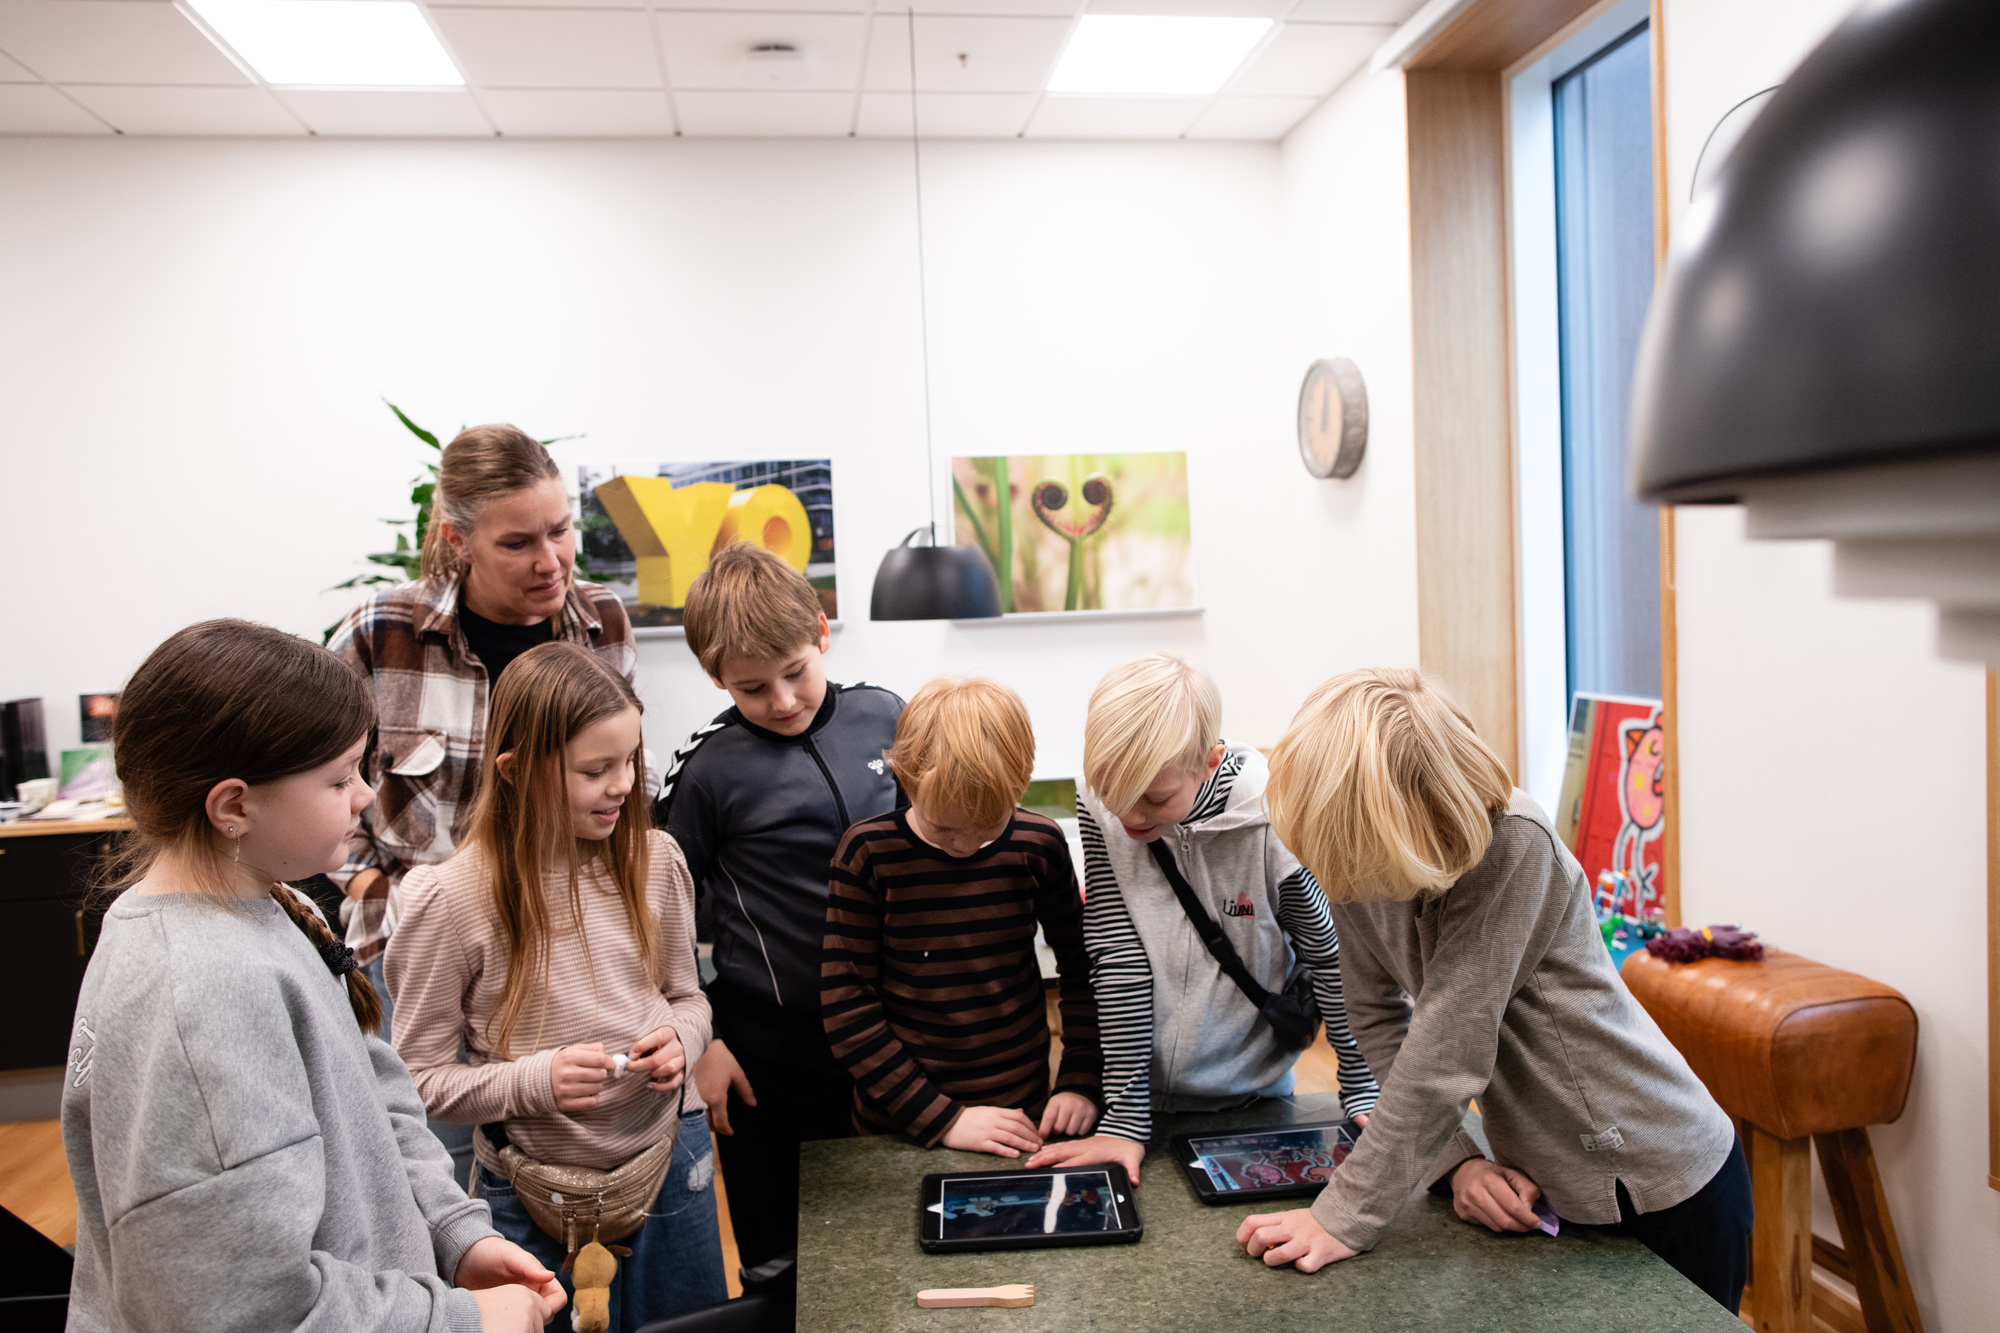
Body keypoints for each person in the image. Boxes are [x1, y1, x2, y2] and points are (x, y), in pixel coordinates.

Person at [62, 619, 565, 1333]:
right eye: (338, 778)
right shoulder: (200, 991)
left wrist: (452, 1231)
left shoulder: (272, 901)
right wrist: (459, 1320)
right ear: (234, 806)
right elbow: (245, 1309)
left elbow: (373, 1092)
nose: (364, 796)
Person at [1237, 668, 1750, 1314]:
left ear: (1400, 818)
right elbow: (1375, 1017)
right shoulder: (1357, 855)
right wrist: (1458, 1161)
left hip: (1656, 1176)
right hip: (1549, 1180)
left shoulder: (1514, 843)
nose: (1332, 876)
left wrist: (1342, 1215)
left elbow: (1448, 1051)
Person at [387, 642, 726, 1330]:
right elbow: (418, 1080)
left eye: (629, 760)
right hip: (531, 1191)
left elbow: (688, 997)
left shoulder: (656, 859)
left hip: (673, 1162)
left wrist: (682, 1040)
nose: (622, 784)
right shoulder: (449, 899)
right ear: (515, 771)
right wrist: (534, 1081)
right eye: (594, 770)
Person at [1024, 651, 1379, 1183]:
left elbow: (1331, 956)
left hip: (1256, 1097)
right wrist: (1125, 1120)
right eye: (1111, 792)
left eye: (1155, 798)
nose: (1129, 815)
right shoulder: (1101, 808)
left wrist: (1361, 1083)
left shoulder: (1273, 818)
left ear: (1210, 762)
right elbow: (1117, 958)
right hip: (1137, 1102)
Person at [327, 423, 639, 1012]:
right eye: (517, 544)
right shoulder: (380, 630)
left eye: (560, 531)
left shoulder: (604, 621)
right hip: (409, 942)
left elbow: (625, 774)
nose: (551, 562)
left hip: (562, 944)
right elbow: (314, 779)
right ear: (458, 539)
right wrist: (368, 883)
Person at [655, 541, 903, 1269]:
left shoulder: (887, 716)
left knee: (895, 1239)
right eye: (753, 688)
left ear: (821, 632)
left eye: (795, 671)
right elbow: (656, 919)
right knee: (781, 1259)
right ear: (715, 677)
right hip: (768, 1050)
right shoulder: (707, 769)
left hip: (894, 1032)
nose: (784, 701)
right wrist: (703, 1040)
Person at [822, 677, 1101, 1156]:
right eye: (944, 827)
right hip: (900, 1124)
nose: (964, 845)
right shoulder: (867, 853)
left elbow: (1082, 968)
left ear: (1021, 784)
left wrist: (1080, 1076)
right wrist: (941, 1118)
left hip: (1023, 1114)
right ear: (902, 777)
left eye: (987, 827)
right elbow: (847, 1006)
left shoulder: (1039, 843)